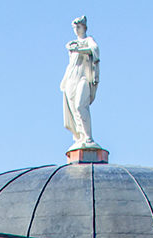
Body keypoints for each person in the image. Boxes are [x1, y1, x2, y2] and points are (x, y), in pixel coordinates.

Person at [59, 15, 100, 147]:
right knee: (73, 110)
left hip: (83, 78)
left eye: (78, 27)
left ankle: (88, 137)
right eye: (74, 27)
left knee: (80, 105)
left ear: (84, 27)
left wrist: (79, 50)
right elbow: (71, 64)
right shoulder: (73, 44)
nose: (76, 29)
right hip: (71, 79)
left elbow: (95, 50)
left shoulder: (88, 41)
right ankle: (80, 137)